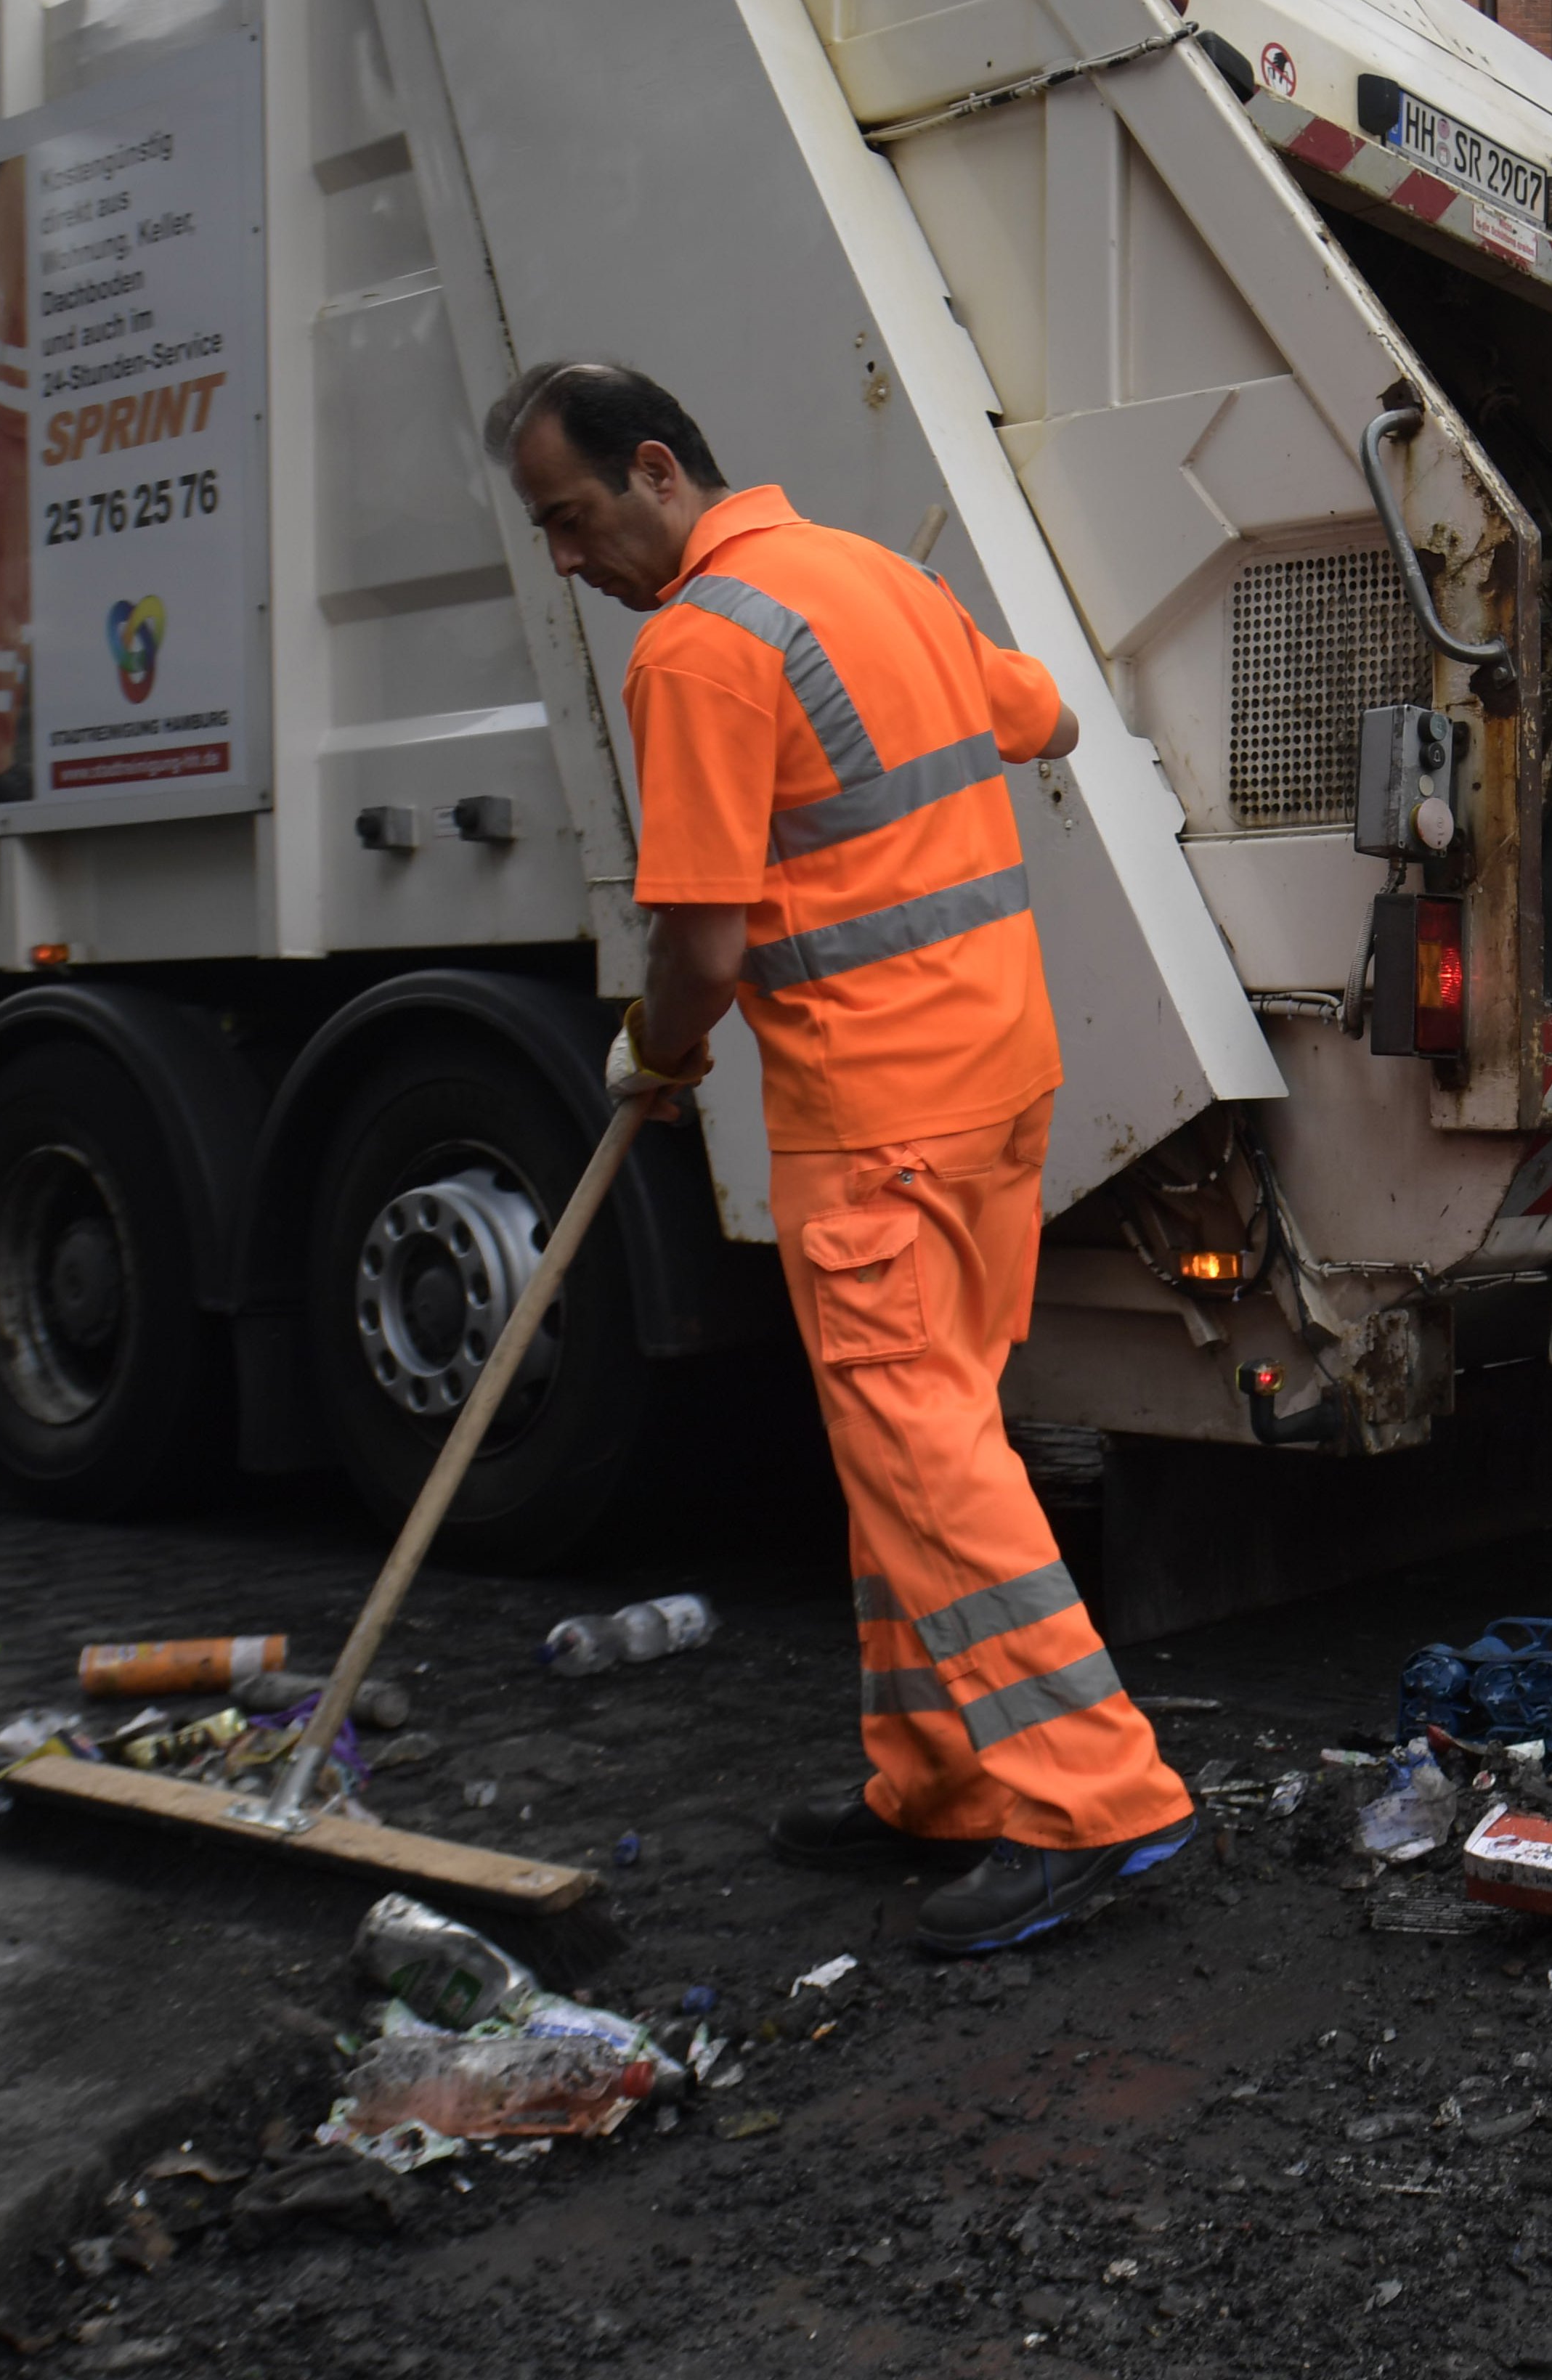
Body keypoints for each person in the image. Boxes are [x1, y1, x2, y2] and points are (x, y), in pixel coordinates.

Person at [487, 360, 1193, 1957]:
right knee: (913, 1455)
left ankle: (1096, 1801)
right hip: (999, 1087)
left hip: (877, 1124)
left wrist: (658, 1059)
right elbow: (1047, 715)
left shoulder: (701, 650)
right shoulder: (877, 579)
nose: (566, 562)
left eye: (571, 519)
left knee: (930, 1463)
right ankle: (936, 1779)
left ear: (655, 471)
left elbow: (701, 939)